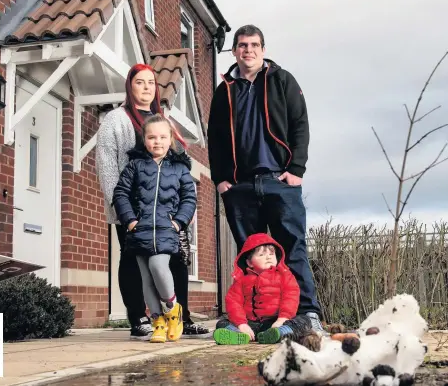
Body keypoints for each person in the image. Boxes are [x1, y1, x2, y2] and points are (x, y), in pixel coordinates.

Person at [207, 25, 324, 333]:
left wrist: (296, 169)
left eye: (254, 45)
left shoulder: (282, 81)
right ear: (234, 51)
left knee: (293, 249)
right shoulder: (225, 91)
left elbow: (300, 124)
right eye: (243, 45)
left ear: (263, 48)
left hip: (279, 181)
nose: (249, 50)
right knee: (250, 258)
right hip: (241, 186)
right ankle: (252, 320)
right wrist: (221, 179)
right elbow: (215, 138)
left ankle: (307, 316)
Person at [96, 64, 210, 340]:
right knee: (135, 263)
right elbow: (106, 164)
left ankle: (181, 317)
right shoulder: (116, 119)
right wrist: (122, 212)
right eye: (140, 82)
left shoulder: (164, 120)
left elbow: (182, 163)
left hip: (168, 212)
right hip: (134, 211)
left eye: (151, 83)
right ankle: (139, 317)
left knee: (177, 262)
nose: (146, 87)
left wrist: (185, 210)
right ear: (130, 86)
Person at [112, 115, 197, 342]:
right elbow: (120, 193)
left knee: (158, 265)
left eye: (162, 137)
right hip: (140, 230)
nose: (156, 141)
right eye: (151, 137)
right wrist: (130, 220)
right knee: (146, 277)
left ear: (170, 139)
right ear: (144, 139)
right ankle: (158, 320)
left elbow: (190, 198)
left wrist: (178, 222)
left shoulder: (180, 169)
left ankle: (173, 310)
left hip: (165, 229)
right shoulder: (135, 166)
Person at [213, 233, 313, 345]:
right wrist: (241, 324)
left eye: (272, 253)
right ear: (249, 262)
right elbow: (233, 302)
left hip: (275, 322)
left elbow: (290, 298)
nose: (268, 257)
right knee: (221, 323)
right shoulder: (242, 280)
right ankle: (239, 335)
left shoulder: (285, 276)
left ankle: (280, 333)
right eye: (261, 255)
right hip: (250, 325)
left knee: (305, 320)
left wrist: (282, 319)